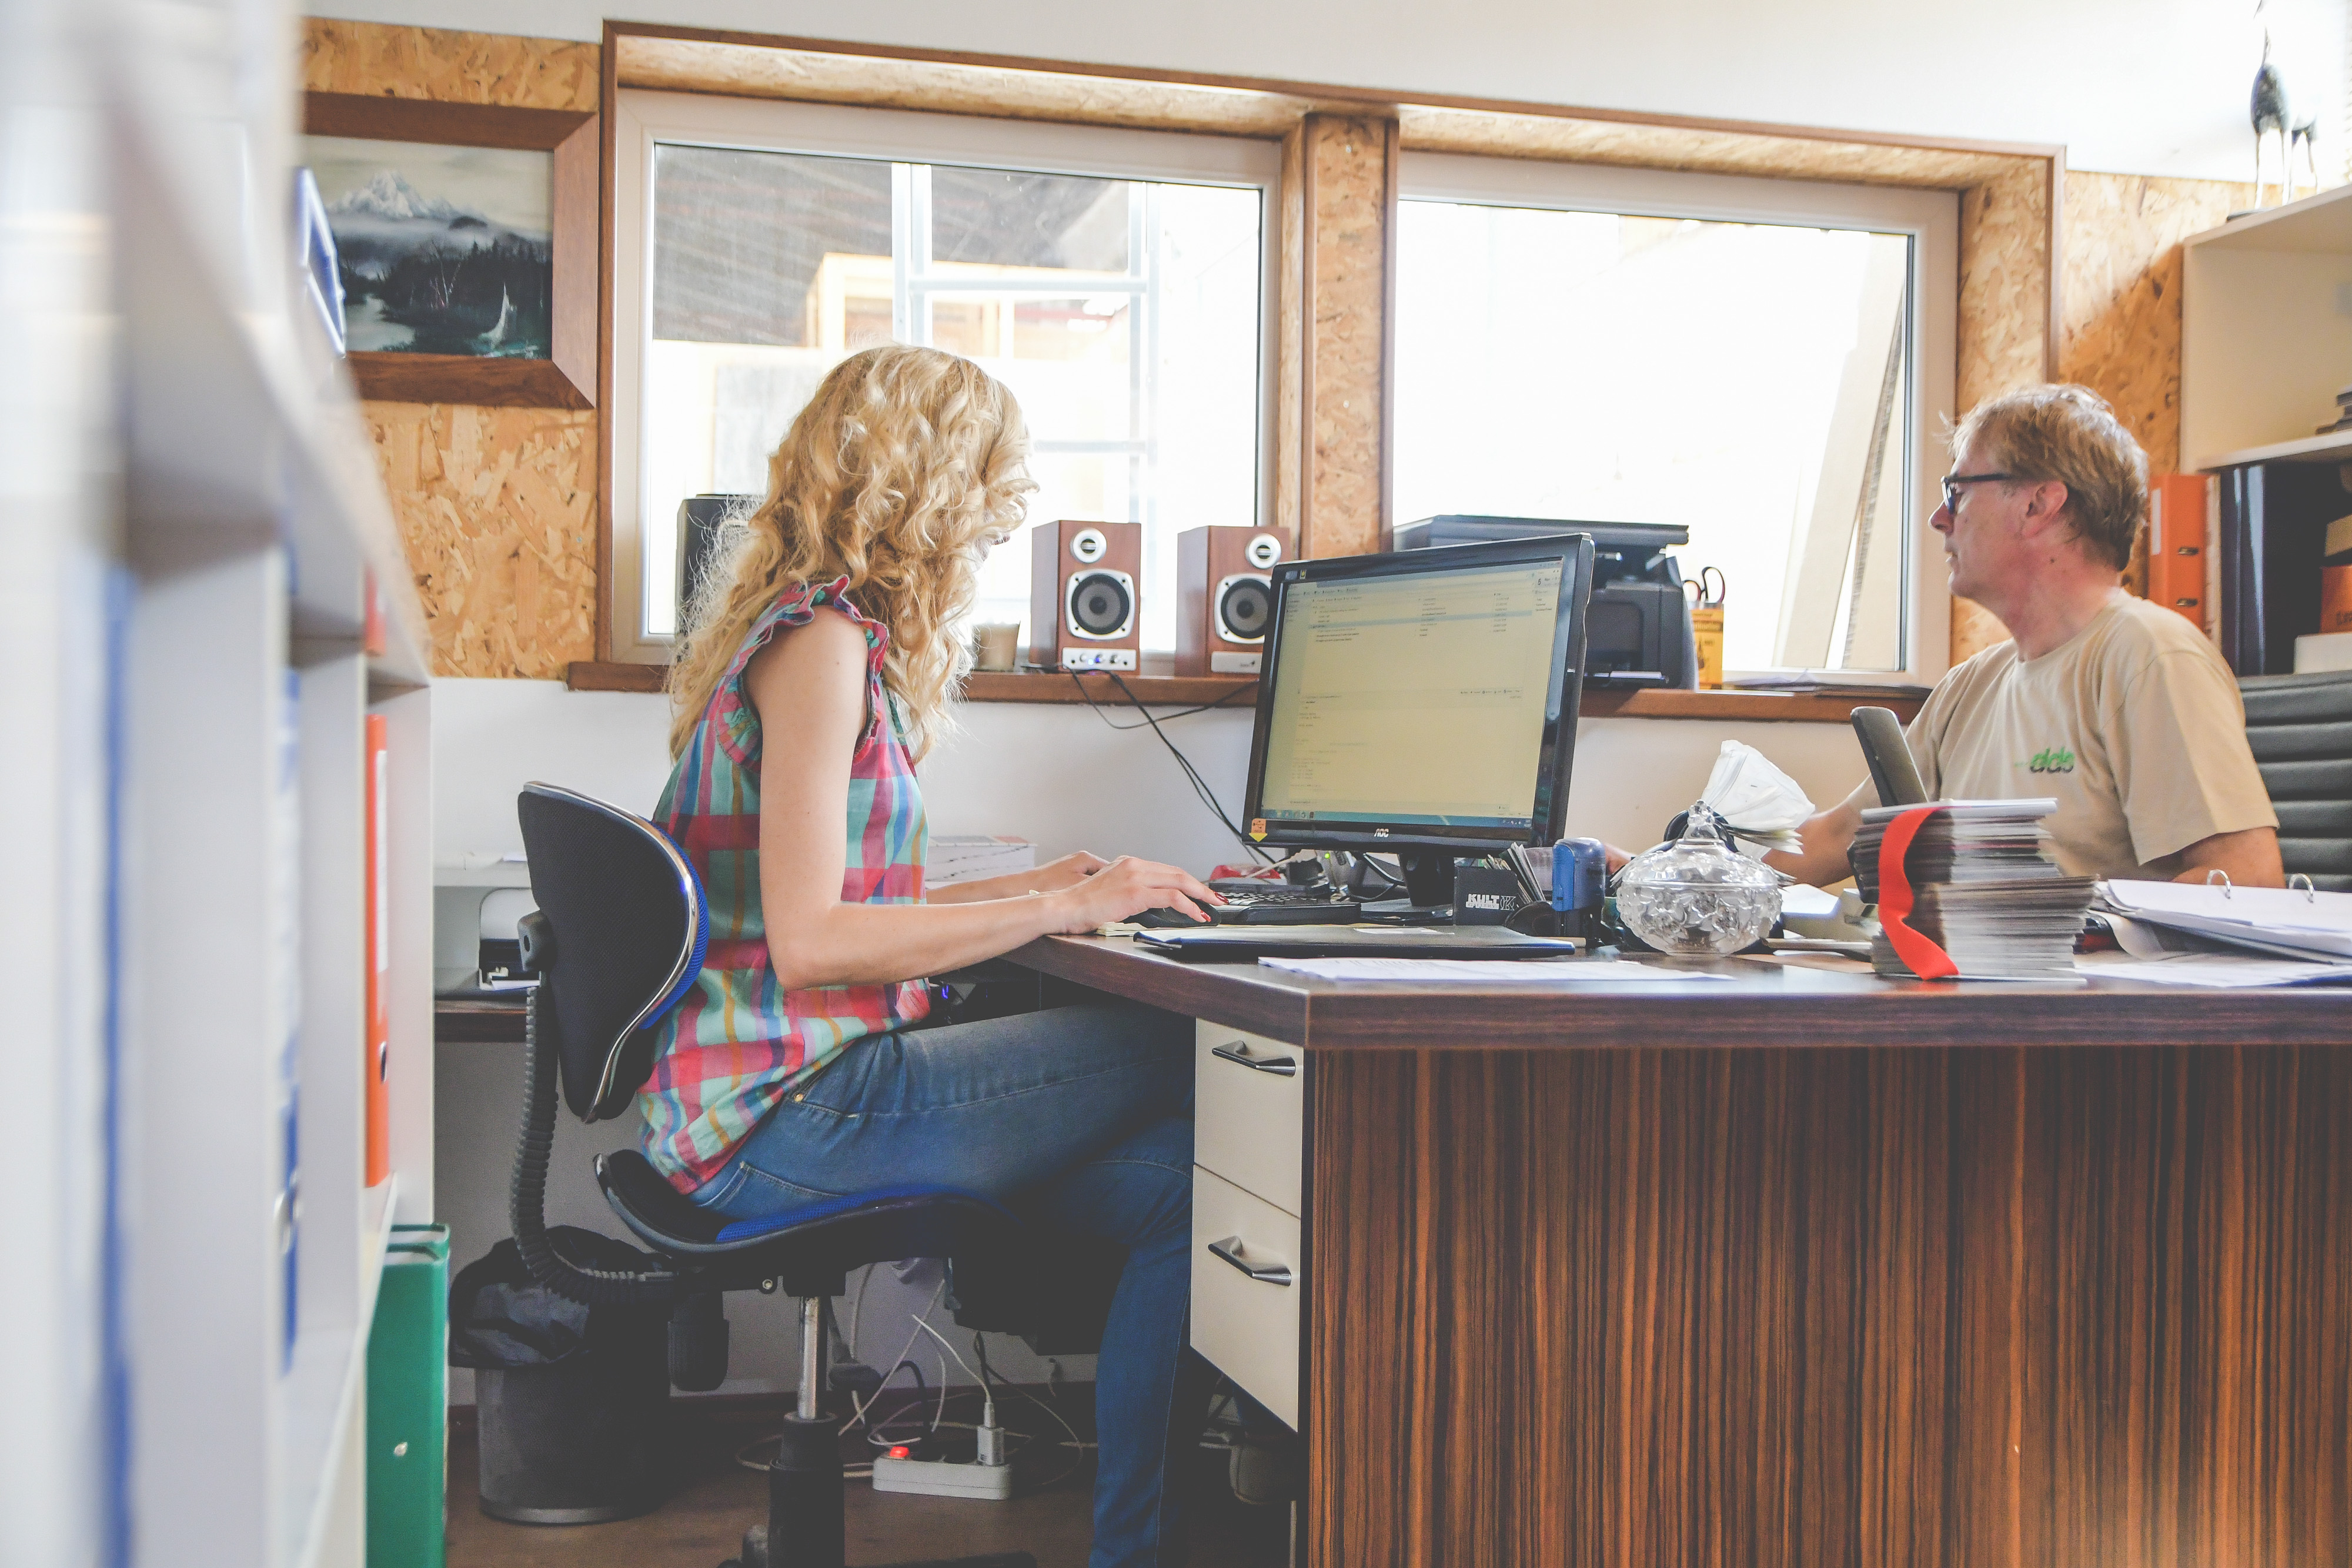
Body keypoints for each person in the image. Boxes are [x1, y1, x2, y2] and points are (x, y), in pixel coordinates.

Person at [644, 343, 1224, 1567]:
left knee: (1189, 1186)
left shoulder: (798, 630)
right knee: (1184, 1045)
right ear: (933, 484)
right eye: (994, 487)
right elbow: (814, 941)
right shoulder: (822, 644)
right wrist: (1061, 909)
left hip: (765, 1107)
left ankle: (1138, 1549)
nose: (1002, 519)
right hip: (795, 1112)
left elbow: (852, 898)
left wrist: (1048, 885)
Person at [1765, 383, 2281, 888]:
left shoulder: (2150, 655)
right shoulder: (1969, 687)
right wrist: (1723, 865)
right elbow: (1839, 836)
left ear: (2038, 505)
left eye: (1958, 493)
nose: (1939, 518)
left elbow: (2249, 877)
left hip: (2081, 951)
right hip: (1972, 949)